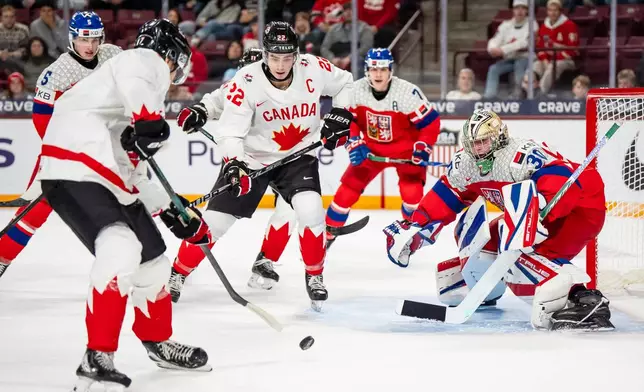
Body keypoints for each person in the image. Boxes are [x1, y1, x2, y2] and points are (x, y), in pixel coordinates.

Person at [34, 19, 211, 389]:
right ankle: (96, 356)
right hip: (75, 167)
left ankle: (158, 341)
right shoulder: (143, 62)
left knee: (154, 264)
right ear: (172, 55)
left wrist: (174, 212)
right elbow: (140, 92)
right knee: (120, 249)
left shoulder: (123, 104)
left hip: (106, 176)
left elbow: (137, 174)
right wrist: (148, 122)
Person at [174, 21, 354, 311]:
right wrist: (235, 164)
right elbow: (230, 131)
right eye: (274, 57)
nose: (280, 65)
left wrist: (342, 113)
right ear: (264, 55)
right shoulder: (246, 80)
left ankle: (315, 275)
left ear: (296, 55)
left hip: (296, 156)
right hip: (253, 159)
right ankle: (177, 274)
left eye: (286, 57)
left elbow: (346, 82)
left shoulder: (313, 67)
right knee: (215, 224)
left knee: (309, 209)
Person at [384, 109, 613, 331]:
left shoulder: (518, 155)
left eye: (484, 140)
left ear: (498, 136)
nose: (478, 147)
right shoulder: (466, 163)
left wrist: (543, 204)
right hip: (538, 207)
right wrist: (415, 230)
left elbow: (562, 177)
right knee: (488, 246)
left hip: (579, 207)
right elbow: (447, 195)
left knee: (527, 257)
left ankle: (585, 299)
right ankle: (485, 289)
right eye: (473, 142)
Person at [165, 47, 298, 302]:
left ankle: (265, 262)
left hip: (284, 163)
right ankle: (178, 272)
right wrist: (197, 113)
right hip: (245, 165)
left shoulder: (287, 88)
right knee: (214, 224)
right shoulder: (239, 86)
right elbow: (212, 102)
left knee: (290, 210)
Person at [0, 11, 122, 281]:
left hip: (105, 151)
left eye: (94, 39)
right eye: (83, 40)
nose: (89, 46)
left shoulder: (113, 56)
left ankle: (125, 267)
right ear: (72, 39)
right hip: (64, 153)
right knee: (34, 212)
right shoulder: (57, 72)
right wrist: (67, 150)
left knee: (114, 210)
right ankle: (1, 257)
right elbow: (41, 117)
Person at [326, 48, 440, 245]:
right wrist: (354, 141)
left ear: (390, 71)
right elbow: (346, 120)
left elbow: (430, 123)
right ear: (367, 70)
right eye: (374, 69)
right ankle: (326, 236)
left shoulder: (407, 93)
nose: (378, 74)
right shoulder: (355, 90)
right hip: (371, 150)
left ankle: (408, 236)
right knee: (347, 190)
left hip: (405, 151)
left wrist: (422, 147)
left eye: (383, 70)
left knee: (412, 196)